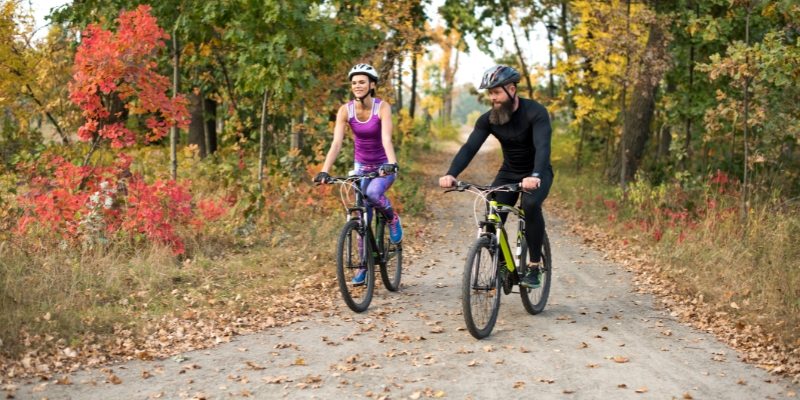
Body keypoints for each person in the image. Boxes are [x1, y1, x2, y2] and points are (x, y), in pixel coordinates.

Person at [438, 65, 554, 288]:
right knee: (492, 214)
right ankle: (503, 265)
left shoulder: (535, 112)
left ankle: (534, 266)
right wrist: (451, 173)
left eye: (497, 92)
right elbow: (469, 148)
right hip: (509, 173)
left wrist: (536, 175)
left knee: (530, 205)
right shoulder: (489, 119)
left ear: (512, 89)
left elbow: (543, 147)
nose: (493, 98)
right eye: (490, 93)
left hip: (537, 172)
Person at [315, 63, 404, 285]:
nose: (357, 86)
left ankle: (392, 218)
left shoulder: (381, 108)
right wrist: (324, 170)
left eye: (362, 82)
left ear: (372, 84)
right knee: (361, 217)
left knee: (374, 194)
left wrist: (391, 164)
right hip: (361, 167)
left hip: (383, 165)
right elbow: (336, 143)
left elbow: (386, 139)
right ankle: (364, 266)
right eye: (354, 82)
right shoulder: (345, 110)